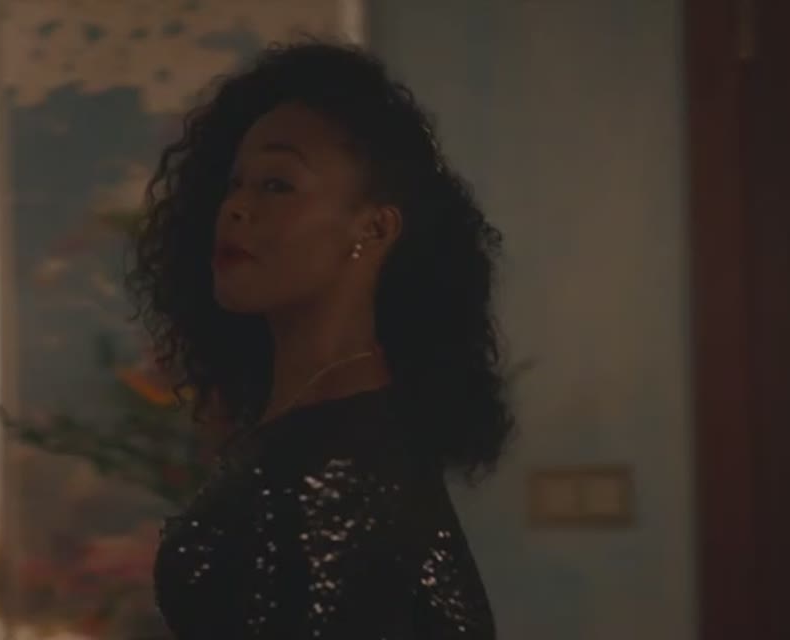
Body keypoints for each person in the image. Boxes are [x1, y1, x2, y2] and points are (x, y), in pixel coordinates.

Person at [129, 41, 513, 639]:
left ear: (375, 227)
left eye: (277, 185)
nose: (236, 208)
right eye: (235, 183)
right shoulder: (320, 425)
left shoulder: (344, 463)